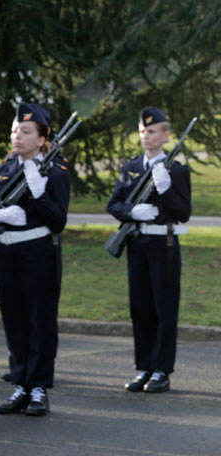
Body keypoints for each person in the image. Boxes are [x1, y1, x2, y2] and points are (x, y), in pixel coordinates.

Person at [0, 103, 72, 417]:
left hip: (38, 251)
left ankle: (38, 387)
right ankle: (20, 383)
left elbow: (58, 221)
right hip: (6, 252)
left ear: (42, 139)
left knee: (39, 320)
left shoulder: (55, 172)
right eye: (15, 131)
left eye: (26, 132)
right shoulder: (5, 169)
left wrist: (40, 195)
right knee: (13, 319)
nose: (17, 136)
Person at [107, 107, 191, 393]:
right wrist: (132, 212)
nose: (146, 136)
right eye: (143, 131)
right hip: (137, 244)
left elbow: (183, 212)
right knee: (140, 307)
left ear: (166, 136)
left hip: (162, 244)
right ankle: (144, 367)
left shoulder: (177, 170)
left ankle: (161, 370)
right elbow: (114, 204)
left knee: (164, 308)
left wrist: (166, 190)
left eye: (152, 131)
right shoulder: (131, 167)